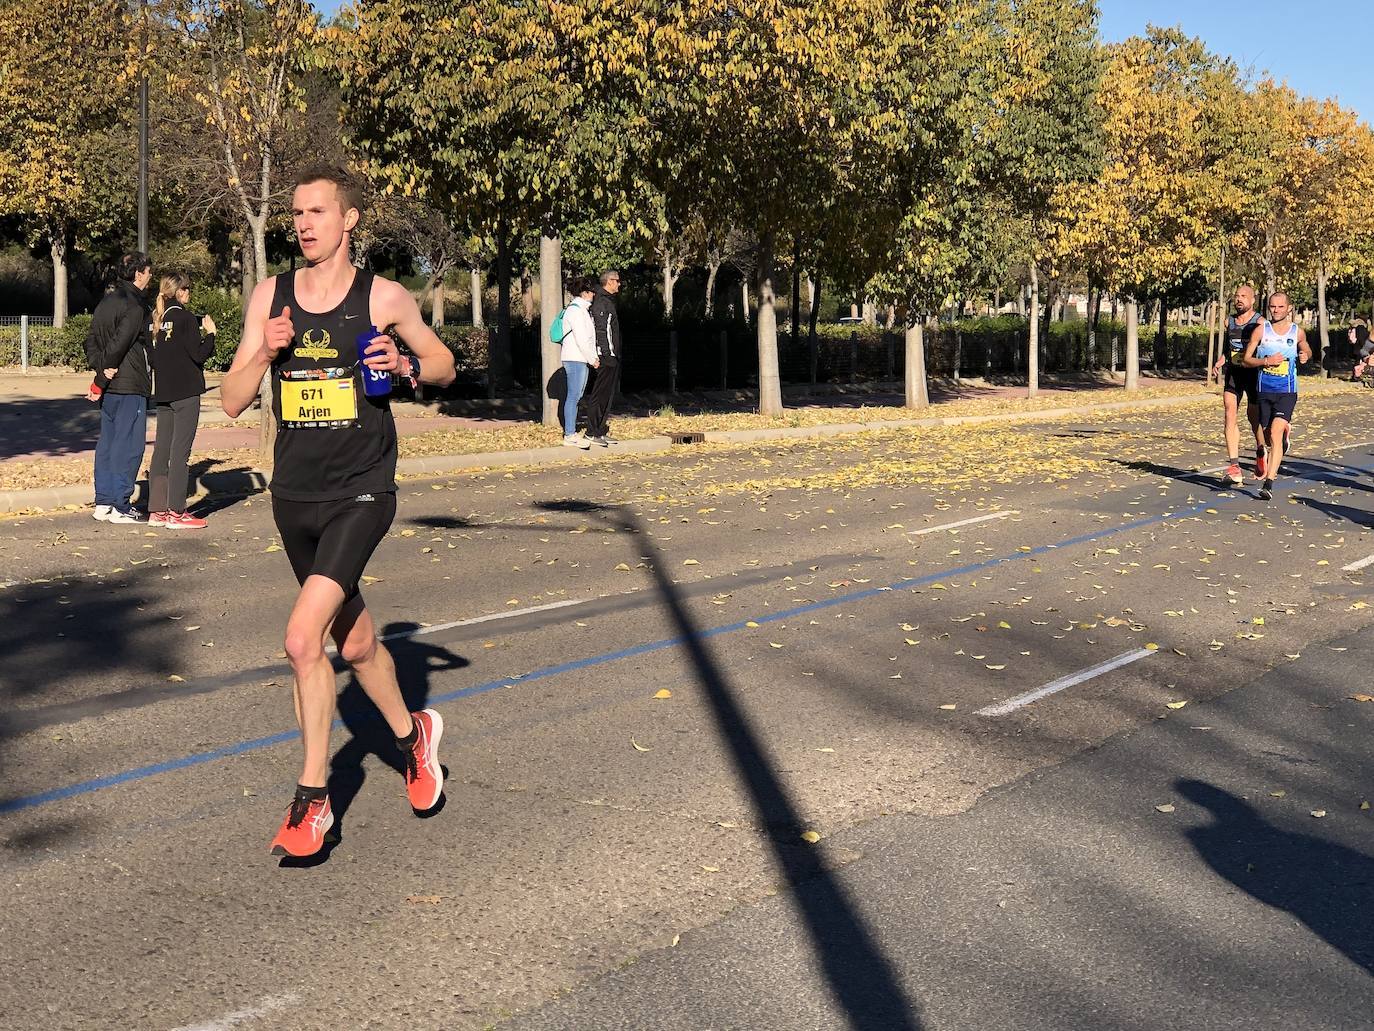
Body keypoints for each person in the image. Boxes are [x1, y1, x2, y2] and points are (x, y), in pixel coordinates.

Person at [220, 165, 457, 858]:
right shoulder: (271, 295)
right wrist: (265, 348)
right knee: (352, 643)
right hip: (293, 494)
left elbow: (443, 363)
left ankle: (313, 797)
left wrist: (406, 366)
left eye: (317, 211)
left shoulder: (382, 296)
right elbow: (233, 399)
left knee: (302, 639)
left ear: (349, 219)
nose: (303, 223)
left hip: (362, 487)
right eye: (297, 212)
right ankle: (415, 739)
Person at [87, 252, 153, 523]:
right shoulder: (135, 306)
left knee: (108, 443)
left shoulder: (106, 301)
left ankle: (103, 501)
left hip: (113, 387)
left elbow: (91, 340)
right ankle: (120, 505)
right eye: (148, 272)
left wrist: (99, 370)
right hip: (128, 385)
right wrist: (102, 377)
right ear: (138, 274)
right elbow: (119, 344)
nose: (150, 277)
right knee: (129, 445)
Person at [147, 273, 216, 529]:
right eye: (187, 288)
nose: (190, 293)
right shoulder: (185, 318)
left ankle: (157, 510)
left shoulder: (158, 319)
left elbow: (153, 359)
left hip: (164, 392)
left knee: (162, 450)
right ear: (179, 292)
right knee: (179, 453)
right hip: (186, 392)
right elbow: (198, 354)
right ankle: (177, 511)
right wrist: (210, 334)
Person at [1242, 292, 1311, 501]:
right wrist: (1265, 361)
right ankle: (1281, 436)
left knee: (1275, 431)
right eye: (1272, 307)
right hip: (1264, 389)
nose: (1276, 310)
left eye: (1281, 307)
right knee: (1267, 432)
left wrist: (1305, 355)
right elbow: (1246, 359)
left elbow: (1306, 348)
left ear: (1289, 308)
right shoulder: (1261, 330)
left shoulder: (1296, 332)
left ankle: (1268, 483)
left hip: (1287, 391)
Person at [1212, 284, 1265, 488]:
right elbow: (1229, 348)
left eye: (1244, 296)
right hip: (1234, 374)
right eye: (1237, 296)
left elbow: (1266, 348)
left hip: (1253, 375)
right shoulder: (1229, 322)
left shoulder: (1260, 323)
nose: (1239, 299)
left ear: (1252, 300)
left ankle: (1261, 449)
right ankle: (1234, 466)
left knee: (1253, 419)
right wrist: (1221, 360)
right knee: (1229, 412)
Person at [584, 269, 623, 446]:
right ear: (609, 281)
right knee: (599, 395)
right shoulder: (601, 302)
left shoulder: (607, 301)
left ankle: (600, 430)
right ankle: (591, 432)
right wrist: (607, 353)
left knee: (607, 396)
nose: (619, 284)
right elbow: (601, 330)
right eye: (617, 281)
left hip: (612, 356)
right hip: (606, 356)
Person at [559, 277, 599, 448]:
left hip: (579, 358)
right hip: (575, 358)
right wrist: (592, 358)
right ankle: (569, 434)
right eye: (592, 292)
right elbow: (582, 339)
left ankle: (571, 432)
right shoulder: (576, 311)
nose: (594, 295)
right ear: (584, 293)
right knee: (574, 396)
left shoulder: (581, 310)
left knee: (576, 396)